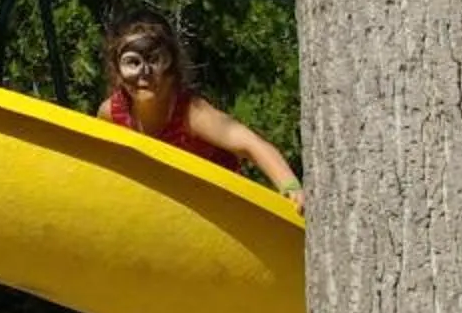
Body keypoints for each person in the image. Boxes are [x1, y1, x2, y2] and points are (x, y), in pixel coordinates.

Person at [96, 11, 305, 208]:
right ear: (117, 72)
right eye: (133, 62)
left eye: (155, 60)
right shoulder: (112, 113)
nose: (145, 74)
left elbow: (252, 145)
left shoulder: (192, 114)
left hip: (220, 208)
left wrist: (290, 187)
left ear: (172, 67)